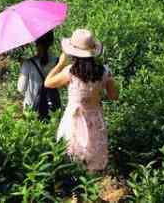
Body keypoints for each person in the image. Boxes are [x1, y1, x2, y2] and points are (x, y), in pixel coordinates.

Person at [45, 29, 119, 173]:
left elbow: (48, 83)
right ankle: (90, 191)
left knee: (72, 159)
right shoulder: (104, 71)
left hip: (73, 119)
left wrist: (60, 63)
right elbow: (114, 96)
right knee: (93, 160)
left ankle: (76, 193)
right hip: (95, 120)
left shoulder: (70, 72)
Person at [18, 30, 61, 120]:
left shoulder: (28, 63)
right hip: (53, 107)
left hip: (32, 109)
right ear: (51, 42)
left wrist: (22, 69)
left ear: (36, 43)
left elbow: (21, 88)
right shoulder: (58, 61)